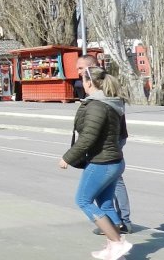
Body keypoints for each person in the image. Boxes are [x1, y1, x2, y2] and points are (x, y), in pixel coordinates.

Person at [60, 65, 131, 260]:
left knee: (83, 200)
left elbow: (88, 137)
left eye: (82, 79)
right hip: (114, 160)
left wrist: (68, 157)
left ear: (89, 82)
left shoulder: (97, 105)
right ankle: (115, 250)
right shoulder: (110, 102)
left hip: (102, 162)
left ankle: (117, 243)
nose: (81, 84)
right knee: (106, 205)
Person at [76, 56, 132, 235]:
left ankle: (121, 224)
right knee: (106, 194)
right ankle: (115, 230)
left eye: (81, 68)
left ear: (92, 69)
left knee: (86, 198)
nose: (78, 72)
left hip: (108, 145)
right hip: (109, 143)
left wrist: (69, 157)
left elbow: (90, 134)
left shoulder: (101, 97)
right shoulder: (101, 93)